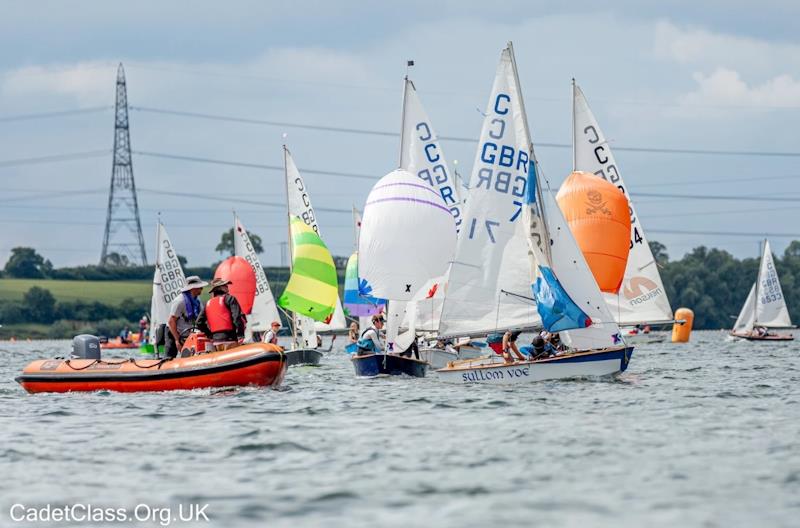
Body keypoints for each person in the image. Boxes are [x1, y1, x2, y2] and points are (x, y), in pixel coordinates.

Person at [166, 276, 208, 359]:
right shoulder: (180, 301)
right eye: (200, 287)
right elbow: (171, 321)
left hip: (189, 334)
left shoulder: (198, 301)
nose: (202, 289)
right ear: (193, 288)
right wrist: (177, 340)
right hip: (173, 332)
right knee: (169, 356)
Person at [197, 278, 245, 349]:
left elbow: (199, 322)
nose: (227, 287)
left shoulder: (208, 303)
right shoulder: (230, 299)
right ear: (220, 288)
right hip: (230, 339)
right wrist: (240, 335)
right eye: (225, 285)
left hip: (216, 342)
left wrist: (210, 335)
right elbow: (237, 318)